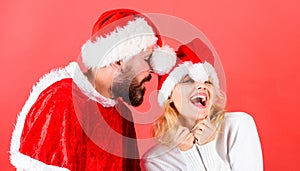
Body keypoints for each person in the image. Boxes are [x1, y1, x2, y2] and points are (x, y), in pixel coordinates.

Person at [10, 9, 176, 171]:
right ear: (118, 61)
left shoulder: (122, 114)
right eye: (146, 59)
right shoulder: (61, 100)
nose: (151, 72)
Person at [142, 38, 263, 170]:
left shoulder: (238, 125)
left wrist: (207, 147)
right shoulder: (156, 161)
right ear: (169, 95)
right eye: (188, 81)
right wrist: (188, 152)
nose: (201, 86)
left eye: (207, 82)